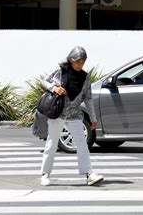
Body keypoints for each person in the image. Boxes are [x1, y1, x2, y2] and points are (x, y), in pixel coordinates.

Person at [40, 46, 104, 186]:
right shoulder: (61, 72)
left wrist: (93, 118)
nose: (80, 64)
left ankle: (89, 174)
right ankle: (45, 174)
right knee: (51, 143)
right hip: (59, 112)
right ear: (71, 60)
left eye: (83, 62)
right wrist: (54, 88)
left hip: (75, 113)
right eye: (78, 61)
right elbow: (44, 81)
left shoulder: (85, 77)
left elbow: (88, 98)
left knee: (82, 144)